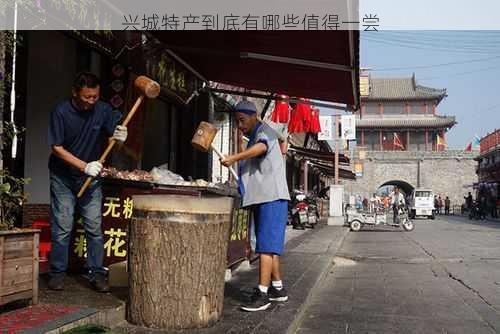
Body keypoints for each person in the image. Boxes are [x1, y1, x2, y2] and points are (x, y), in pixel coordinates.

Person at [47, 72, 127, 292]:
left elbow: (114, 142)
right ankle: (57, 273)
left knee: (94, 227)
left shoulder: (102, 110)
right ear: (75, 93)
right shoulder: (61, 112)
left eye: (95, 97)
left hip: (90, 180)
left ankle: (97, 274)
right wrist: (84, 165)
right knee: (63, 226)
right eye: (87, 97)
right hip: (63, 177)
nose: (91, 101)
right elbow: (56, 148)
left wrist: (119, 138)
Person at [221, 100, 290, 312]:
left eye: (242, 120)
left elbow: (262, 148)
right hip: (264, 197)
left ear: (254, 116)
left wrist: (234, 157)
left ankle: (262, 293)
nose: (240, 125)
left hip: (272, 197)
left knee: (266, 248)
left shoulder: (265, 131)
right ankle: (277, 289)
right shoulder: (253, 135)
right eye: (237, 122)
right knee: (269, 245)